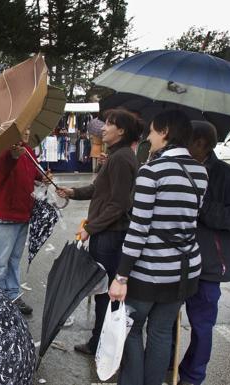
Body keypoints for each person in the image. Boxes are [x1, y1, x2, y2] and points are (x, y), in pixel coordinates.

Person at [108, 110, 208, 385]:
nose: (148, 137)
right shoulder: (200, 172)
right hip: (184, 270)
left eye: (151, 131)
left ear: (164, 132)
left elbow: (139, 228)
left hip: (150, 269)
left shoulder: (151, 171)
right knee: (162, 332)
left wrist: (121, 277)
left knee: (132, 328)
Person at [176, 121, 230, 385]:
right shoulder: (177, 169)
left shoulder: (229, 176)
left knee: (201, 326)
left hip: (209, 266)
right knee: (165, 322)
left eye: (185, 140)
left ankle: (192, 376)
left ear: (201, 143)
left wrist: (203, 207)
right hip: (174, 262)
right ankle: (165, 365)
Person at [56, 108, 141, 355]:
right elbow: (99, 190)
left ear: (121, 131)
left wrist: (89, 229)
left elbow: (119, 204)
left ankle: (101, 344)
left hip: (109, 236)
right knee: (102, 290)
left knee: (104, 291)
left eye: (108, 125)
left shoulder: (121, 158)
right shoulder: (116, 156)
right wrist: (73, 192)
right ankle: (101, 341)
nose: (102, 128)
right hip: (106, 233)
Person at [0, 127, 49, 315]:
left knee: (14, 259)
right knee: (1, 261)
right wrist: (13, 155)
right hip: (6, 215)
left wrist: (44, 178)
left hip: (24, 213)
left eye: (30, 129)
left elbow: (35, 174)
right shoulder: (4, 151)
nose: (27, 132)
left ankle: (13, 294)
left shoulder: (28, 150)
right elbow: (4, 166)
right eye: (23, 129)